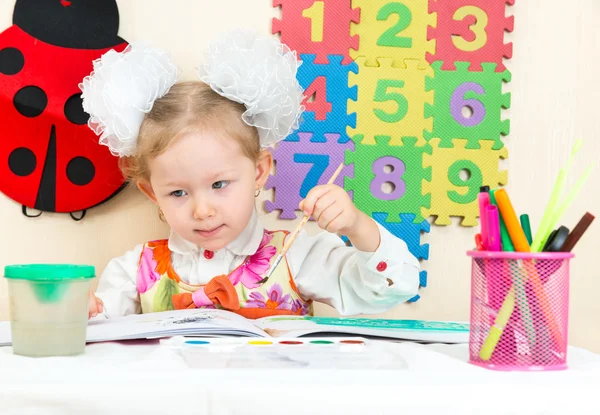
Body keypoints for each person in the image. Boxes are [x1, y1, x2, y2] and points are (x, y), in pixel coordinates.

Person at [81, 30, 420, 320]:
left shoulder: (297, 255)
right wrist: (88, 314)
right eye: (178, 193)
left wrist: (357, 227)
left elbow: (393, 289)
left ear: (259, 171)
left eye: (219, 184)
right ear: (152, 192)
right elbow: (103, 333)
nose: (202, 210)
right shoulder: (132, 271)